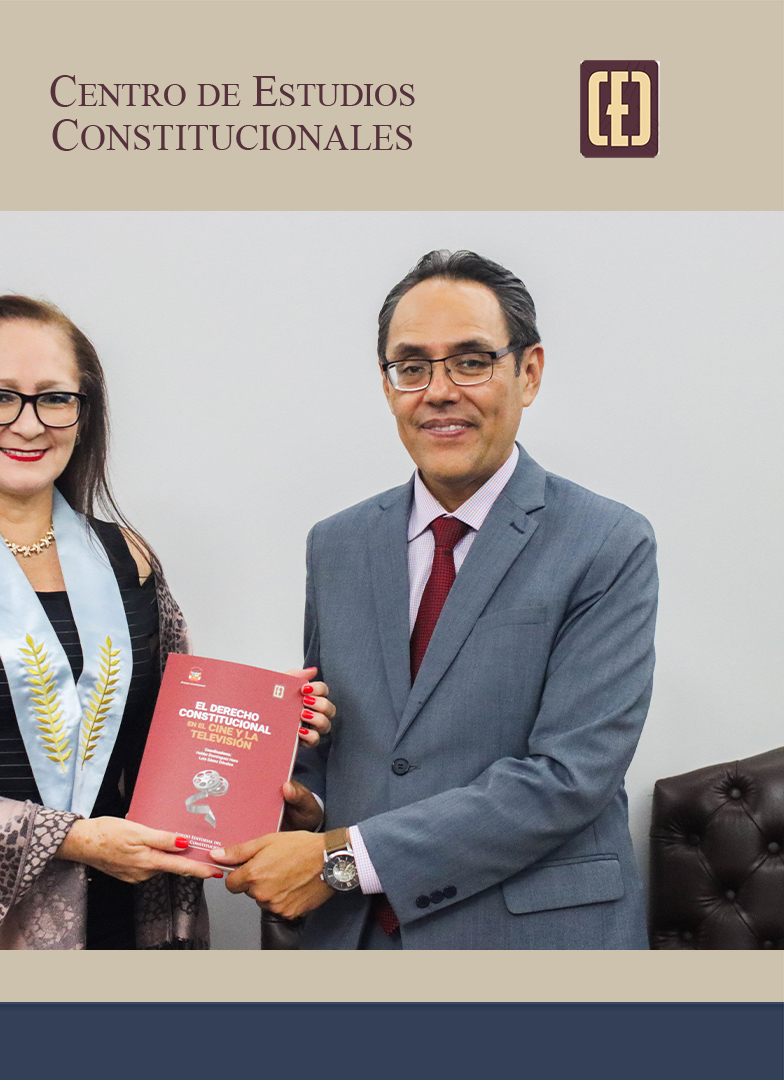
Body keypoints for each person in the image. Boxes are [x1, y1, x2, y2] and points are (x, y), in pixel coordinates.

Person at [0, 294, 333, 950]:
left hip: (120, 913)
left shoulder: (126, 558)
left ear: (83, 415)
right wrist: (70, 839)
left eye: (55, 398)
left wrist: (263, 726)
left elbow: (165, 738)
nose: (29, 424)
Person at [214, 250, 657, 949]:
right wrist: (306, 806)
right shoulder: (336, 544)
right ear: (387, 384)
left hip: (532, 942)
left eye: (472, 361)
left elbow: (571, 776)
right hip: (360, 941)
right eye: (412, 366)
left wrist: (338, 861)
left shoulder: (607, 542)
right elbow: (349, 746)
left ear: (529, 372)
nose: (440, 391)